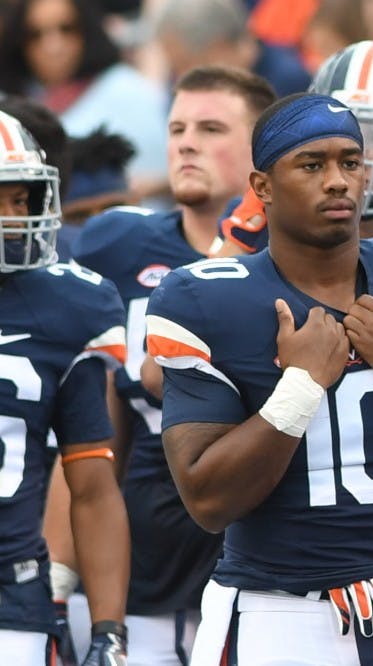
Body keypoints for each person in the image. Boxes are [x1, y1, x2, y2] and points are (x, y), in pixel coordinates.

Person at [145, 93, 373, 665]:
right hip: (276, 613)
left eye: (350, 162)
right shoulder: (207, 298)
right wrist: (300, 387)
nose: (337, 181)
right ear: (262, 187)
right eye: (311, 165)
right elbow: (208, 499)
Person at [65, 65, 277, 665]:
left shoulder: (297, 254)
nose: (186, 142)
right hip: (144, 553)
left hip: (257, 544)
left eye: (211, 128)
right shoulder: (118, 244)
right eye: (177, 127)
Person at [0, 109, 130, 665]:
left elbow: (93, 485)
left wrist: (108, 630)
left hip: (12, 600)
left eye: (22, 199)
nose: (14, 217)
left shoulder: (67, 305)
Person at [215, 40, 373, 254]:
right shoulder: (261, 218)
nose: (358, 153)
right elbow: (199, 303)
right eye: (341, 133)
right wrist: (245, 235)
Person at [0, 0, 168, 195]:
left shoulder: (129, 91)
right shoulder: (6, 105)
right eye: (35, 35)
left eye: (66, 29)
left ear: (87, 29)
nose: (53, 46)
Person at [152, 0, 311, 97]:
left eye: (183, 64)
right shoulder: (187, 89)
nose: (179, 77)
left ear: (218, 48)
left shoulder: (289, 82)